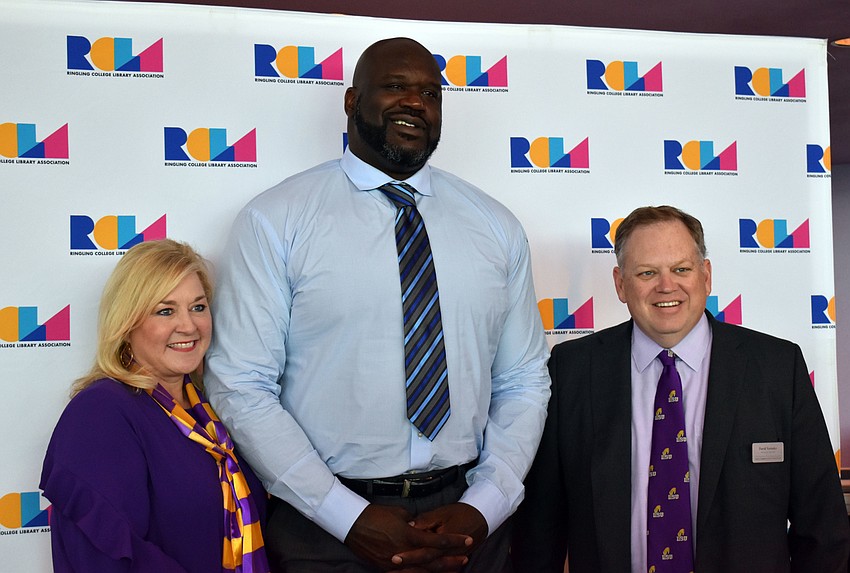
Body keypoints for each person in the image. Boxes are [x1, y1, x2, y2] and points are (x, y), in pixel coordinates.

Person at [204, 37, 551, 573]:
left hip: (465, 526)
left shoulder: (496, 227)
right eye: (394, 87)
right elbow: (242, 385)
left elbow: (523, 380)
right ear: (351, 101)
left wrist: (483, 507)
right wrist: (346, 516)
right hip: (326, 531)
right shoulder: (276, 220)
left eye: (431, 94)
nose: (415, 103)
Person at [511, 205, 850, 572]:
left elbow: (822, 528)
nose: (666, 286)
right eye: (647, 273)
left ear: (706, 276)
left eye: (681, 269)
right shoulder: (573, 368)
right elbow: (539, 530)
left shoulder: (777, 368)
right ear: (620, 284)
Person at [40, 239, 269, 573]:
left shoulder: (211, 411)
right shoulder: (100, 413)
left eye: (198, 307)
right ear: (127, 322)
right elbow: (106, 559)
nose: (189, 326)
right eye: (165, 310)